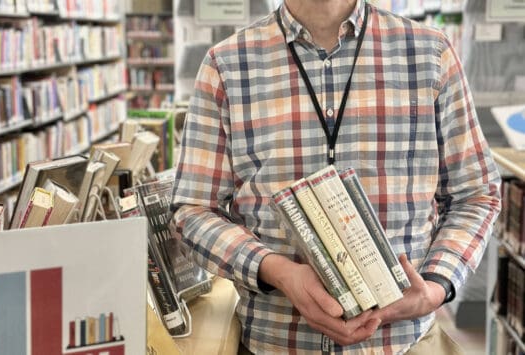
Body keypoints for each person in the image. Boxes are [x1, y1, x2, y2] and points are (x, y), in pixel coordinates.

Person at [170, 0, 501, 353]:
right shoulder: (227, 65)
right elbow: (192, 210)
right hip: (275, 341)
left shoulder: (429, 54)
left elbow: (476, 194)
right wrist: (277, 271)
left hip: (405, 342)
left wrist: (435, 285)